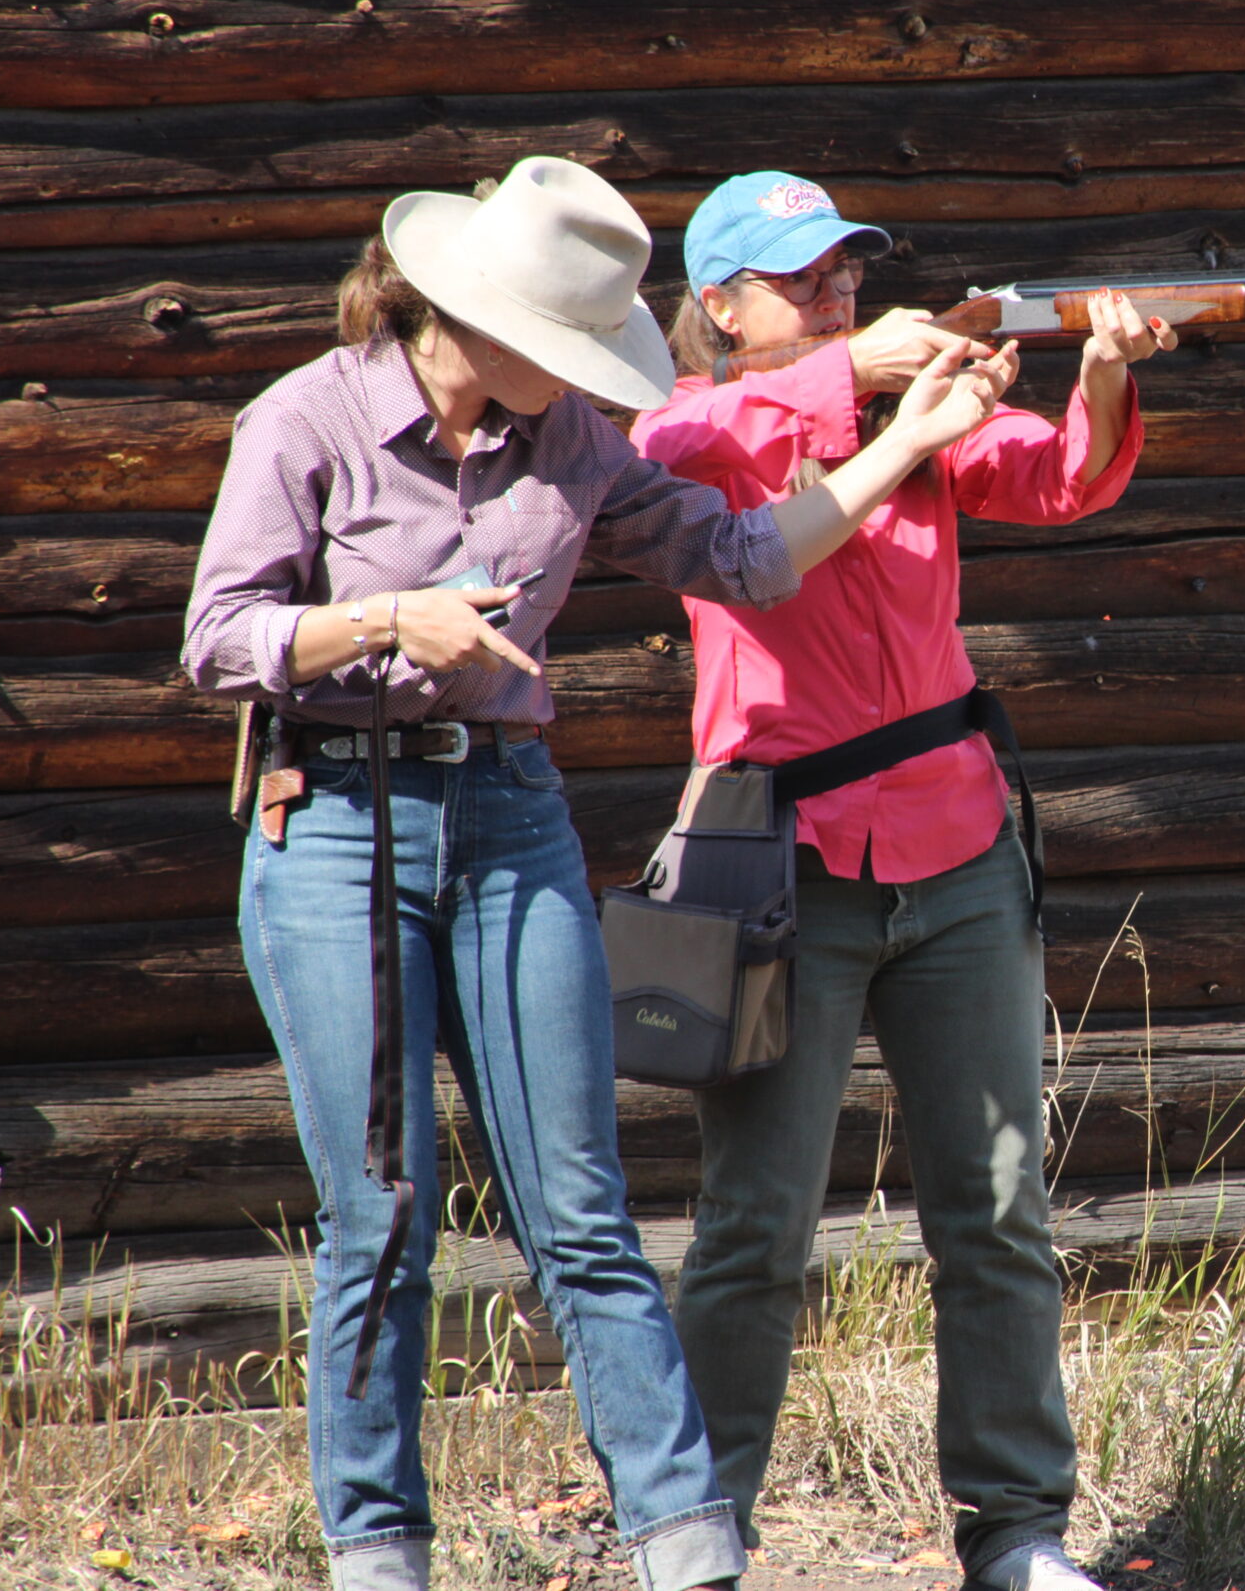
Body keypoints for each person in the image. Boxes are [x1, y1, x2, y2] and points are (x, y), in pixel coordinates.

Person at [181, 157, 1011, 1591]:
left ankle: (689, 1554)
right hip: (336, 829)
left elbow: (740, 555)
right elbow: (217, 640)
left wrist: (903, 444)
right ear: (471, 317)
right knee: (381, 1216)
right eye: (558, 346)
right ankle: (378, 1556)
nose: (579, 378)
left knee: (581, 1210)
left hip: (509, 818)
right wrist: (387, 621)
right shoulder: (307, 420)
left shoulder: (566, 439)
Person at [630, 172, 1176, 1591]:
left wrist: (1104, 372)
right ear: (721, 307)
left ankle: (1017, 1533)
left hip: (958, 841)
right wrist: (851, 377)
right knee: (756, 1227)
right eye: (803, 280)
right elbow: (670, 445)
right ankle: (704, 1539)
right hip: (781, 860)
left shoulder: (916, 408)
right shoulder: (697, 424)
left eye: (847, 273)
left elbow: (1058, 477)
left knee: (997, 1211)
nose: (838, 296)